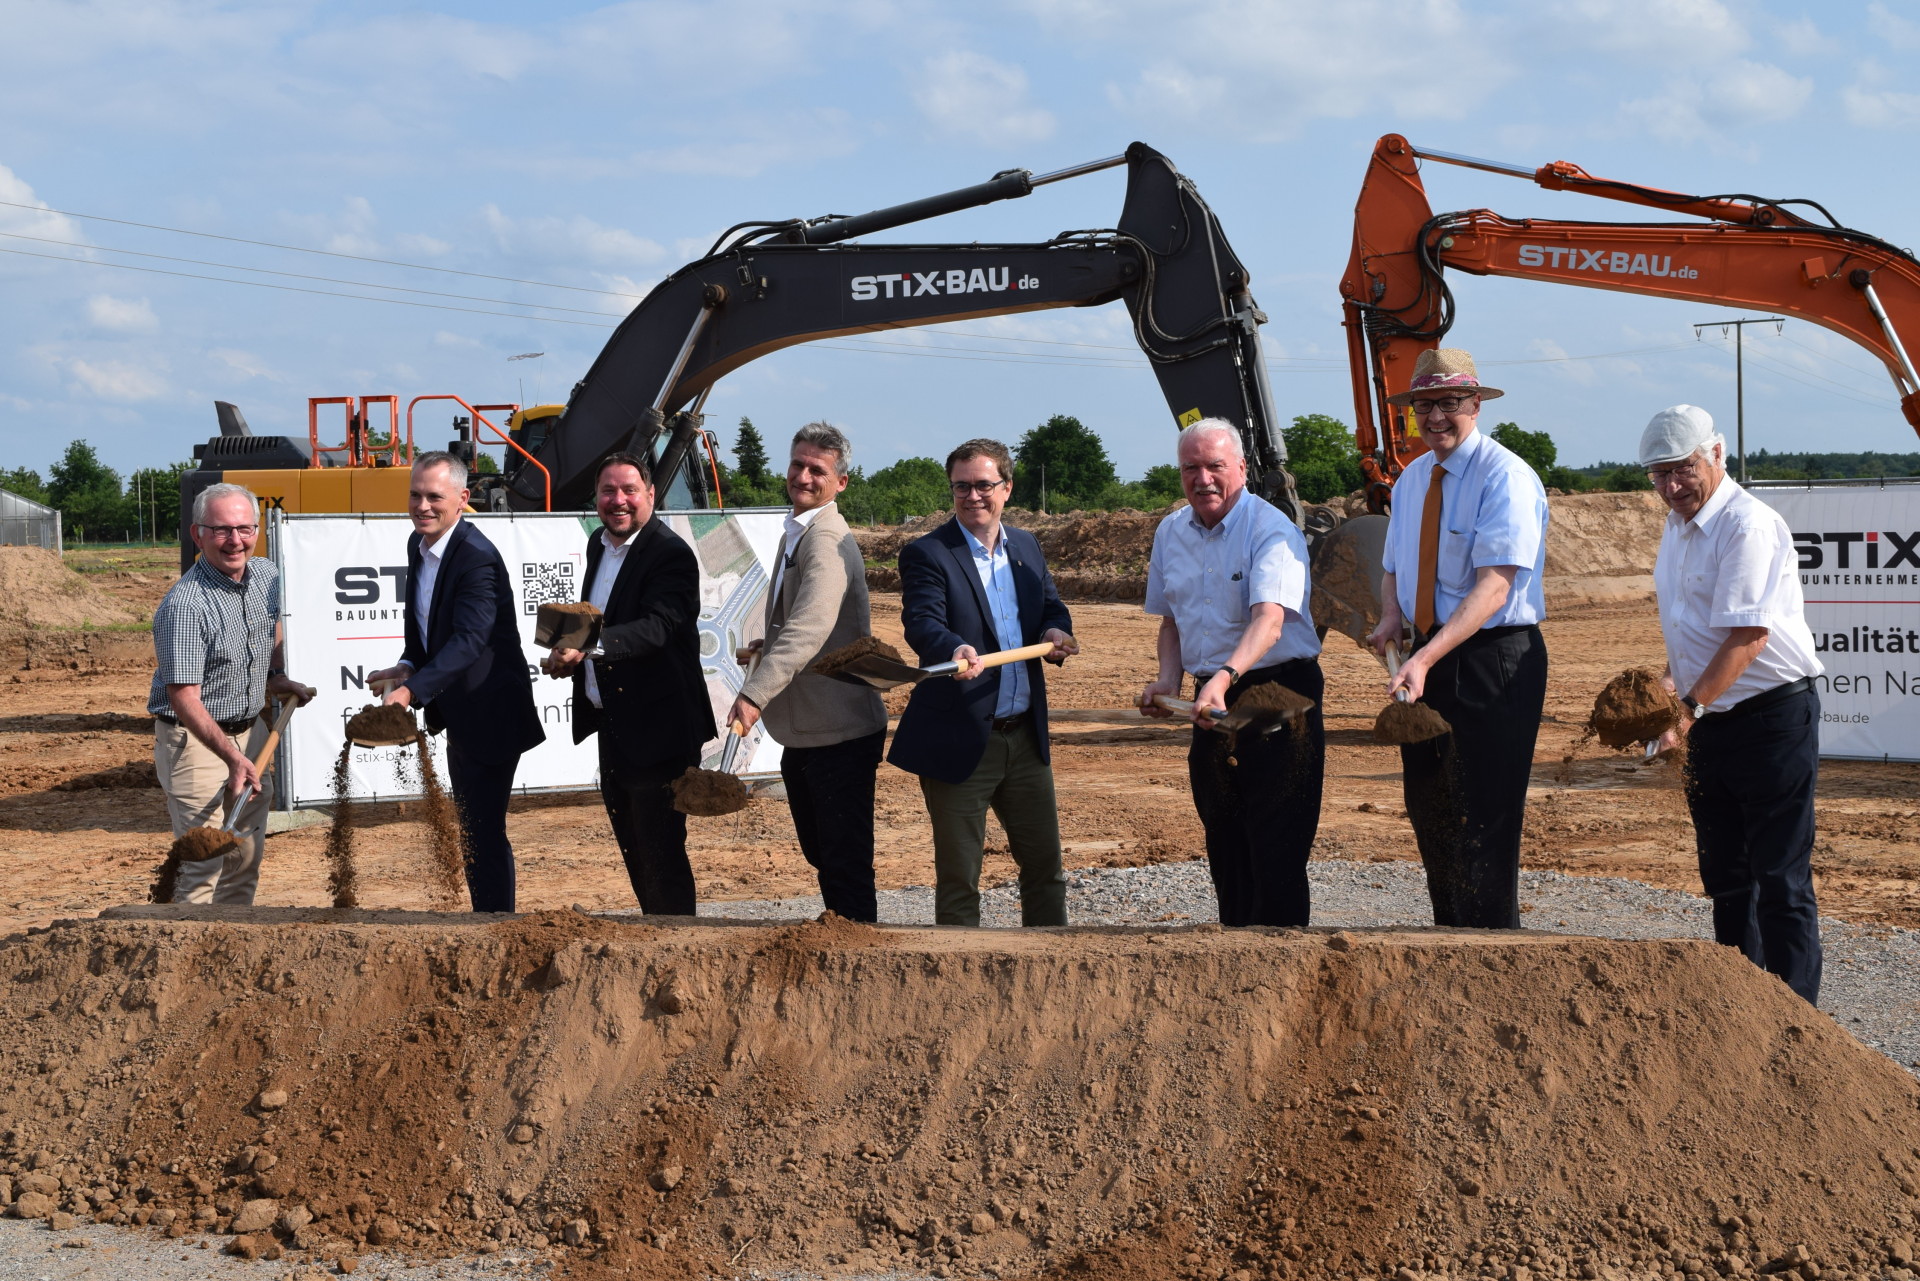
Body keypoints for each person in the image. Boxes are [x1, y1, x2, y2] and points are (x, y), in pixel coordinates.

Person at [1642, 405, 1825, 1003]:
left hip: (1771, 721)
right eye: (1659, 474)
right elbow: (1693, 630)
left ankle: (1797, 1019)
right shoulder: (1677, 525)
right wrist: (1666, 693)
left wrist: (1686, 711)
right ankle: (1743, 1012)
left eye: (1683, 468)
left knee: (1779, 879)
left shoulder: (1747, 525)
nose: (1672, 486)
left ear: (1716, 454)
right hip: (1712, 720)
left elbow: (1748, 637)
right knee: (1725, 876)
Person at [1365, 348, 1549, 930]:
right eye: (1424, 405)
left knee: (1485, 816)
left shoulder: (1506, 477)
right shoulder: (1415, 478)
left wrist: (1424, 656)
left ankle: (1492, 947)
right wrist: (1393, 616)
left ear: (1476, 403)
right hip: (1431, 657)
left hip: (1494, 660)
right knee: (1433, 808)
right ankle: (1451, 936)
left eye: (1449, 403)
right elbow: (1394, 562)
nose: (1436, 417)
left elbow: (1494, 588)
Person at [1139, 419, 1326, 926]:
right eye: (1191, 468)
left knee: (1277, 834)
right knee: (1223, 826)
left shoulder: (1270, 529)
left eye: (1215, 466)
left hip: (1280, 691)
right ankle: (1236, 942)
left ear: (1241, 467)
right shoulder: (1171, 531)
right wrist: (1168, 680)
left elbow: (1270, 620)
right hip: (1213, 694)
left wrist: (1221, 677)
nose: (1203, 479)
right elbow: (1173, 620)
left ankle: (1281, 950)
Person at [887, 438, 1077, 927]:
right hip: (962, 738)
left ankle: (1048, 975)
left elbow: (1050, 605)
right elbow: (922, 620)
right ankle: (957, 992)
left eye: (983, 485)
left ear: (1007, 488)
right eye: (961, 487)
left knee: (1045, 871)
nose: (973, 496)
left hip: (1026, 741)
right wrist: (954, 647)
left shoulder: (1028, 546)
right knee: (959, 880)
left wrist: (1057, 629)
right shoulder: (928, 553)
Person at [368, 451, 544, 912]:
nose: (422, 506)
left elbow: (469, 640)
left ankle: (495, 927)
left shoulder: (477, 558)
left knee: (483, 830)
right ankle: (486, 921)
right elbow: (425, 625)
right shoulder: (418, 544)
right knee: (473, 828)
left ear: (463, 499)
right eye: (415, 495)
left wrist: (411, 691)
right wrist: (406, 666)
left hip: (492, 714)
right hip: (461, 713)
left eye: (434, 497)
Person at [725, 423, 888, 921]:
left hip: (838, 728)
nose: (803, 475)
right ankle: (848, 943)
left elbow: (811, 624)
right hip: (813, 729)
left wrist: (754, 695)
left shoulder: (825, 538)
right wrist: (765, 647)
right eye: (798, 464)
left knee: (843, 862)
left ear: (841, 482)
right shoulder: (800, 530)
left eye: (817, 469)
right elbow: (803, 624)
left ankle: (859, 958)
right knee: (827, 855)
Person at [549, 453, 716, 915]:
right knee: (635, 850)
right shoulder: (599, 546)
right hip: (615, 725)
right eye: (607, 491)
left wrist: (589, 647)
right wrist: (566, 650)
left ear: (650, 495)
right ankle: (656, 940)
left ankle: (677, 949)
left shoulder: (670, 554)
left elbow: (659, 626)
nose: (617, 501)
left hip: (659, 729)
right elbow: (596, 618)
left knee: (661, 855)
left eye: (628, 491)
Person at [150, 482, 313, 903]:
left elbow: (271, 625)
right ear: (197, 534)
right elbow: (184, 696)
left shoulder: (265, 576)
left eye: (244, 528)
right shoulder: (186, 606)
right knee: (202, 863)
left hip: (249, 729)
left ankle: (230, 947)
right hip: (195, 740)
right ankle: (187, 954)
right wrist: (232, 757)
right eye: (221, 530)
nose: (235, 540)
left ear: (257, 529)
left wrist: (274, 675)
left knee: (244, 857)